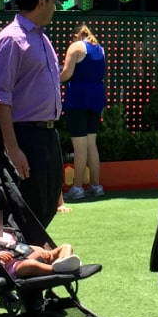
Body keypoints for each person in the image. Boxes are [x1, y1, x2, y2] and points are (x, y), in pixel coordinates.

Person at [0, 0, 64, 228]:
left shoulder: (41, 37)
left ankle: (26, 257)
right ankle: (3, 256)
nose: (57, 6)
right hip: (24, 135)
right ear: (41, 2)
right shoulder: (11, 38)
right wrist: (12, 148)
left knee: (46, 203)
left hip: (47, 135)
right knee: (22, 206)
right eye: (54, 1)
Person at [0, 196, 81, 278]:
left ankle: (63, 261)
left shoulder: (6, 233)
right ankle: (56, 270)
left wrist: (37, 249)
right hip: (16, 267)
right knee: (30, 265)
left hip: (29, 255)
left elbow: (19, 246)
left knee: (65, 246)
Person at [59, 24, 106, 202]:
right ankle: (96, 185)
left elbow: (66, 74)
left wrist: (53, 75)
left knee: (79, 145)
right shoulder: (100, 49)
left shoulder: (76, 46)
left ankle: (77, 187)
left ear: (77, 35)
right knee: (91, 143)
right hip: (95, 97)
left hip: (78, 97)